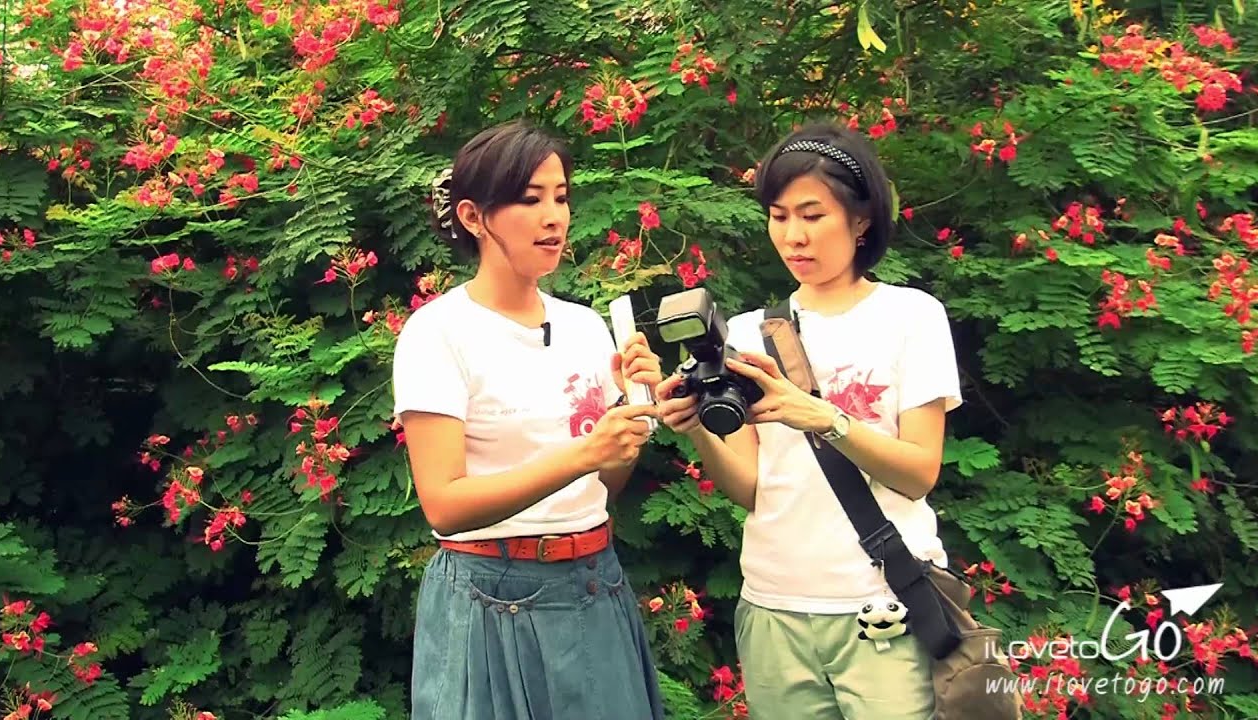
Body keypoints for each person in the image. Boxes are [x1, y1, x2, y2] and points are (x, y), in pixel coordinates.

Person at [654, 122, 963, 719]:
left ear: (861, 220)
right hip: (774, 608)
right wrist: (697, 431)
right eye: (779, 216)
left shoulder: (911, 317)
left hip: (882, 603)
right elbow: (751, 489)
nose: (793, 235)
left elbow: (920, 473)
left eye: (812, 215)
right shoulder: (747, 334)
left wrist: (824, 418)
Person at [393, 120, 666, 720]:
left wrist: (628, 425)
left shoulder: (585, 327)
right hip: (488, 596)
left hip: (594, 585)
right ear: (473, 216)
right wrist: (586, 453)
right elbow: (444, 504)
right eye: (530, 199)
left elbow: (604, 486)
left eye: (561, 198)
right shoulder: (437, 333)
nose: (554, 218)